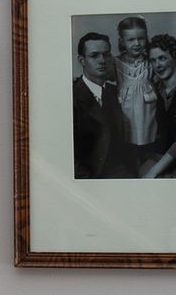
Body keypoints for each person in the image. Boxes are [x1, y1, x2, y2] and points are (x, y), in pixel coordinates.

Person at [72, 33, 132, 178]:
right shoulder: (71, 97)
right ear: (82, 60)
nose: (102, 60)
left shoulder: (114, 92)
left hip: (122, 174)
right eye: (94, 55)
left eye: (106, 54)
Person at [114, 16, 159, 166]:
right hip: (126, 110)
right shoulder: (116, 63)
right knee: (128, 144)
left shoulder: (150, 62)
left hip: (147, 111)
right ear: (122, 41)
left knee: (148, 143)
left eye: (141, 38)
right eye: (131, 39)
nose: (137, 43)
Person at [142, 34, 176, 178]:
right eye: (153, 60)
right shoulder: (154, 90)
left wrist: (154, 171)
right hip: (161, 157)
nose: (157, 65)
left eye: (162, 58)